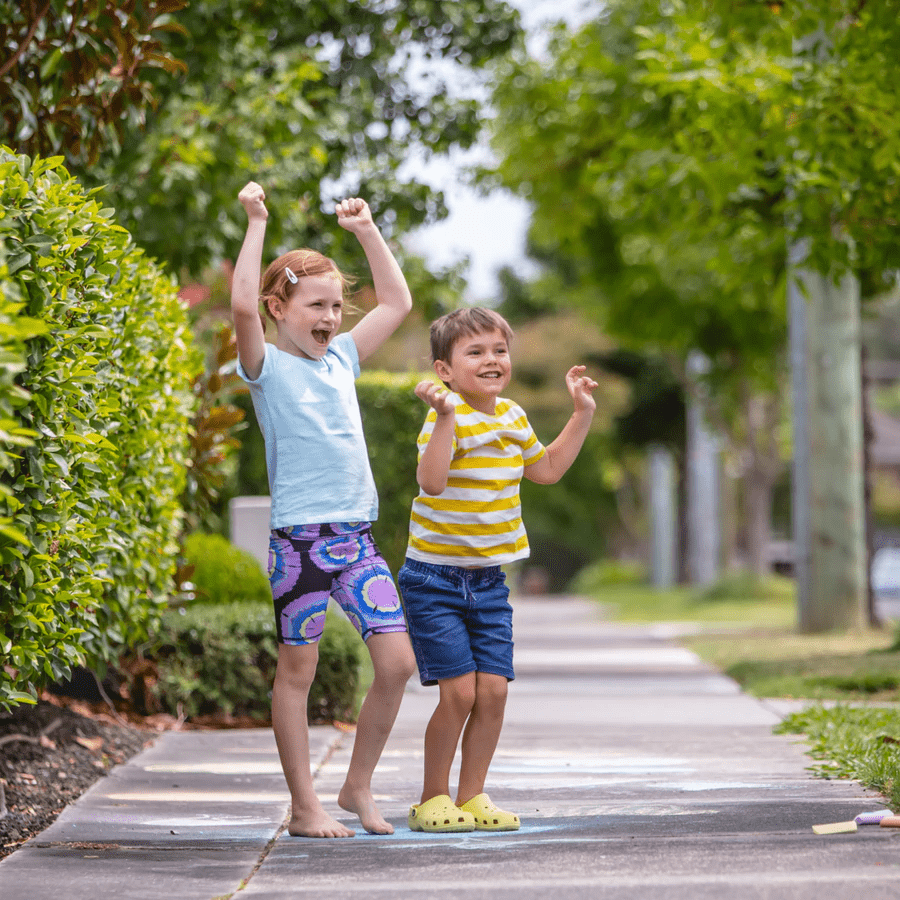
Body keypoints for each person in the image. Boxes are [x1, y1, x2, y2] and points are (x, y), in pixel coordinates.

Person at [231, 181, 417, 838]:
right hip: (299, 545)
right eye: (317, 305)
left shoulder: (343, 359)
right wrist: (257, 221)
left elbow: (397, 302)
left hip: (356, 540)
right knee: (297, 672)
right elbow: (240, 306)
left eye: (337, 305)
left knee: (397, 664)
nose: (331, 317)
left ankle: (356, 785)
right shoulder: (264, 368)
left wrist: (366, 230)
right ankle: (304, 805)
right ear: (279, 308)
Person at [398, 307, 597, 833]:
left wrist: (581, 413)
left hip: (488, 581)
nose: (492, 360)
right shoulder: (445, 415)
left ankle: (472, 796)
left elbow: (546, 469)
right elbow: (432, 481)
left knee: (494, 692)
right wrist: (445, 416)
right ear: (444, 370)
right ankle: (431, 799)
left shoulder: (512, 415)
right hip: (434, 579)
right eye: (476, 352)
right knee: (459, 693)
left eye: (499, 350)